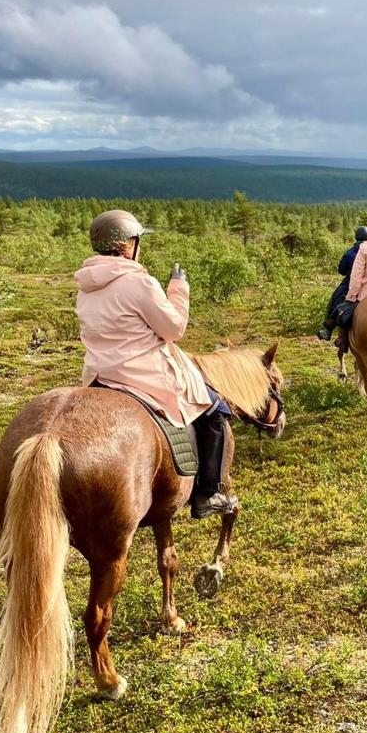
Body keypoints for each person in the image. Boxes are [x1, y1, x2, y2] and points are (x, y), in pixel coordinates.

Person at [74, 209, 238, 518]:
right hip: (142, 373)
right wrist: (178, 288)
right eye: (138, 240)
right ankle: (209, 492)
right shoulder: (139, 282)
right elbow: (173, 329)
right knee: (216, 411)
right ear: (128, 245)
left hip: (100, 373)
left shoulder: (86, 285)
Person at [316, 225, 367, 340]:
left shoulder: (350, 253)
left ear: (356, 237)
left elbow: (341, 270)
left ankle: (327, 329)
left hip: (351, 283)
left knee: (336, 298)